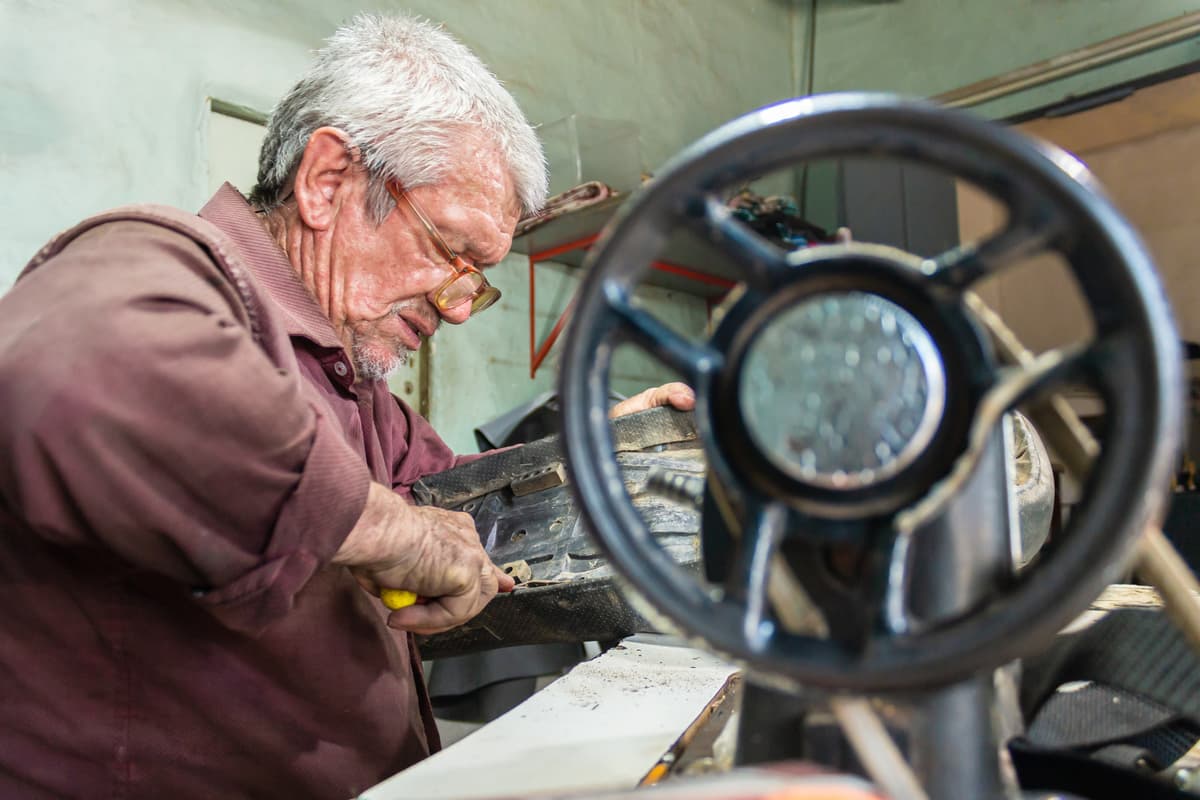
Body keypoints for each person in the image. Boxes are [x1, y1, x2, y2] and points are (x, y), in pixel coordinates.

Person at [0, 14, 692, 799]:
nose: (459, 305)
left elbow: (460, 509)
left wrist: (601, 456)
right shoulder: (169, 265)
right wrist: (385, 529)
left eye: (479, 273)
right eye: (449, 251)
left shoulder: (352, 384)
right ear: (328, 182)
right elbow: (70, 373)